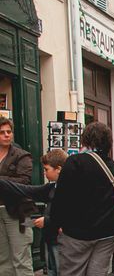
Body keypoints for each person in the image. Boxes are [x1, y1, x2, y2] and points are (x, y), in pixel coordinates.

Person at [50, 121, 114, 276]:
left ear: (85, 140)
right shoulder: (111, 165)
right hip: (107, 233)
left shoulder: (75, 162)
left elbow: (61, 199)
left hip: (77, 233)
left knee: (72, 272)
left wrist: (55, 225)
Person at [0, 149, 68, 276]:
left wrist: (47, 221)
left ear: (58, 169)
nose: (44, 172)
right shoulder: (52, 187)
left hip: (62, 242)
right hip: (50, 239)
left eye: (47, 169)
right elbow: (28, 190)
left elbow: (69, 214)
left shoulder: (68, 189)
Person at [0, 116, 34, 276]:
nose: (7, 135)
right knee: (3, 261)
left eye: (9, 132)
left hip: (18, 213)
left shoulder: (22, 155)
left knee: (22, 260)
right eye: (2, 132)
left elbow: (23, 181)